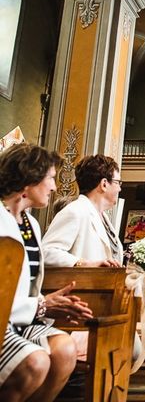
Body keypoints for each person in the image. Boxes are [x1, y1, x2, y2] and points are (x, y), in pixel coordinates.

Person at [0, 143, 93, 401]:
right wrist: (42, 305)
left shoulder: (31, 224)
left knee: (64, 350)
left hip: (23, 319)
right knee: (36, 362)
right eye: (50, 178)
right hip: (2, 322)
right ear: (28, 177)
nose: (54, 187)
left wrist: (48, 303)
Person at [42, 154, 123, 267]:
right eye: (118, 182)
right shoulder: (75, 211)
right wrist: (84, 263)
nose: (120, 188)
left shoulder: (104, 217)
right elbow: (46, 252)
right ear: (104, 184)